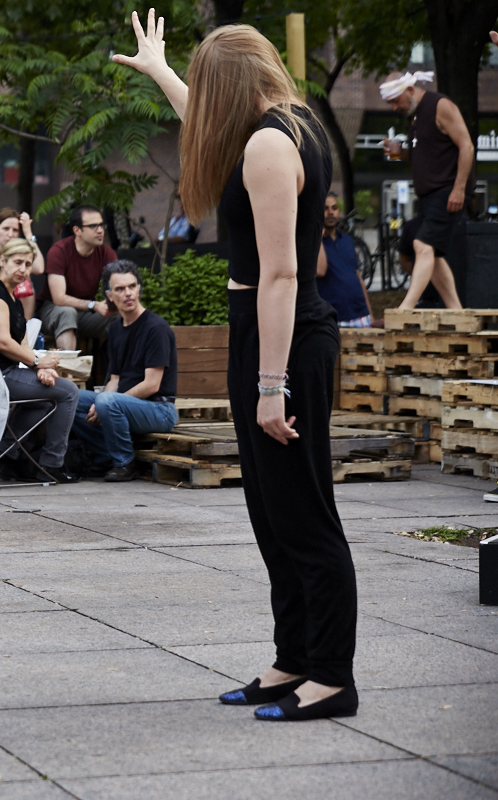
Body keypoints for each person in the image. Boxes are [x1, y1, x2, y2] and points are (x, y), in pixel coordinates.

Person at [116, 11, 357, 721]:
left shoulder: (270, 148)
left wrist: (270, 385)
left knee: (304, 514)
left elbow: (284, 274)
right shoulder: (283, 127)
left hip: (284, 336)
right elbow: (207, 121)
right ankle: (293, 659)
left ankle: (332, 676)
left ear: (230, 84)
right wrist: (160, 69)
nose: (200, 99)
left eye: (201, 84)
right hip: (264, 331)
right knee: (271, 510)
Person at [0, 238, 80, 483]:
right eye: (18, 262)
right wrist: (38, 363)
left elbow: (22, 343)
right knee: (69, 391)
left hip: (6, 372)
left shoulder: (13, 299)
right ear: (3, 261)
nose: (23, 269)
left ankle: (7, 454)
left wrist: (40, 369)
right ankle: (52, 464)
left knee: (46, 396)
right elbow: (3, 342)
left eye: (28, 264)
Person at [71, 260, 178, 482]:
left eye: (132, 286)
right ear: (109, 295)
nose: (128, 293)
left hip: (159, 409)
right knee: (68, 397)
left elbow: (152, 384)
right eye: (120, 289)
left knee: (107, 401)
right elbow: (115, 379)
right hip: (125, 404)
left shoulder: (156, 328)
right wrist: (101, 402)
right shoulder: (116, 329)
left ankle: (125, 463)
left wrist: (107, 402)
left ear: (139, 288)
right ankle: (104, 456)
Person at [380, 71, 472, 310]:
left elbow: (467, 146)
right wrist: (397, 151)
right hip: (429, 195)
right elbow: (422, 155)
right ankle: (456, 311)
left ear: (410, 90)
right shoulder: (413, 116)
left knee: (421, 245)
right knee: (435, 255)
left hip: (448, 190)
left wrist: (459, 189)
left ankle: (406, 308)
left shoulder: (440, 106)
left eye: (395, 101)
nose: (393, 108)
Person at [36, 206, 118, 353]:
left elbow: (119, 283)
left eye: (101, 225)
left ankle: (116, 373)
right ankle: (68, 374)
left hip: (85, 314)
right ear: (77, 231)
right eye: (93, 226)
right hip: (52, 310)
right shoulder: (59, 251)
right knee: (67, 312)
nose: (100, 230)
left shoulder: (106, 253)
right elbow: (58, 298)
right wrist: (94, 305)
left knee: (121, 317)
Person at [317, 193, 374, 327]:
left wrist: (370, 313)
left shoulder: (348, 240)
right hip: (334, 318)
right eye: (325, 208)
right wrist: (317, 236)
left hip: (361, 315)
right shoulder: (314, 243)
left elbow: (358, 277)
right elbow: (320, 270)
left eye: (334, 208)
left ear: (339, 212)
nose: (330, 212)